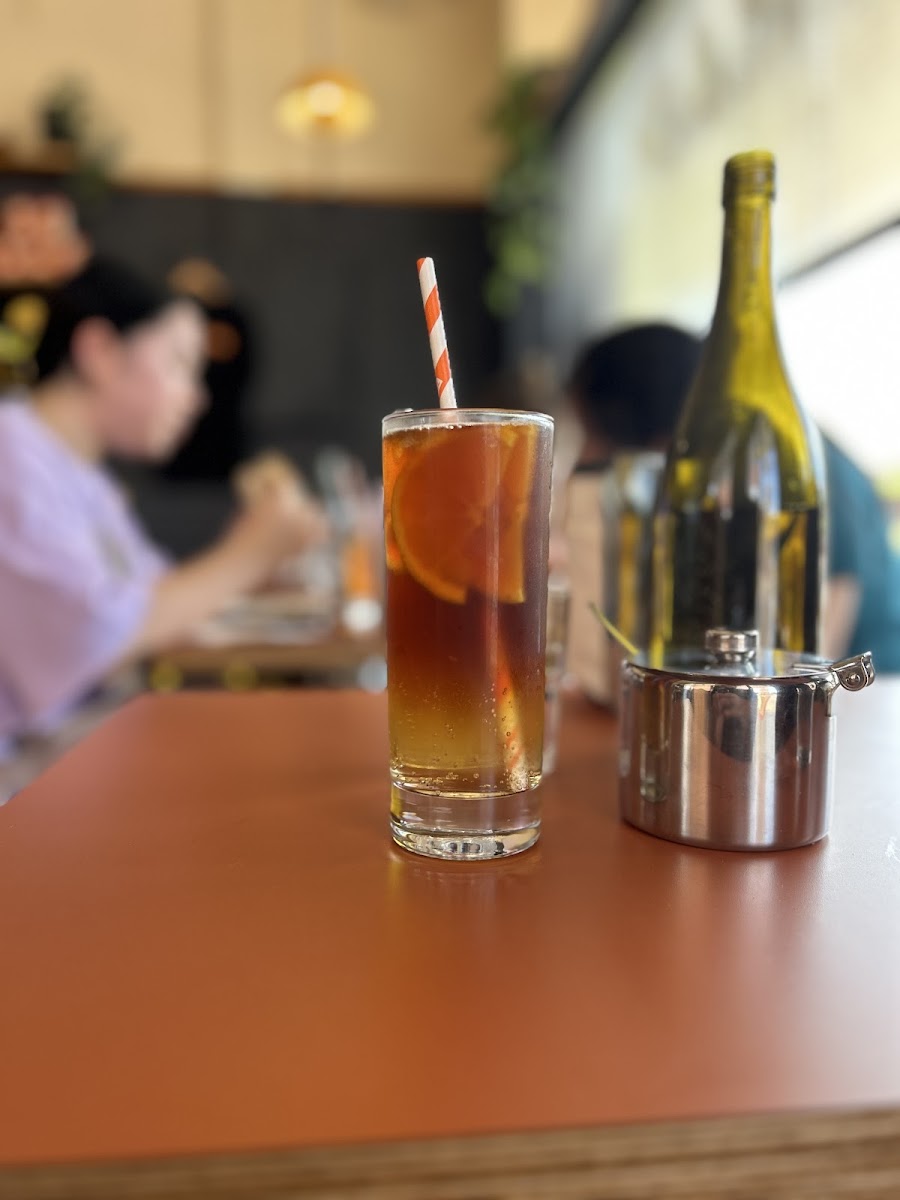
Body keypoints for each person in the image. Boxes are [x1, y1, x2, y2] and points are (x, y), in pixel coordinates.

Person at [0, 251, 327, 759]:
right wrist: (250, 554)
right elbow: (95, 635)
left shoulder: (78, 470)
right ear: (99, 351)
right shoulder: (12, 456)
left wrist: (259, 556)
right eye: (179, 364)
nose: (196, 398)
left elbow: (153, 595)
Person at [566, 321, 900, 671]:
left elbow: (835, 602)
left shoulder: (782, 451)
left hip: (878, 679)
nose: (588, 454)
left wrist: (790, 695)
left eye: (594, 432)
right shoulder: (718, 469)